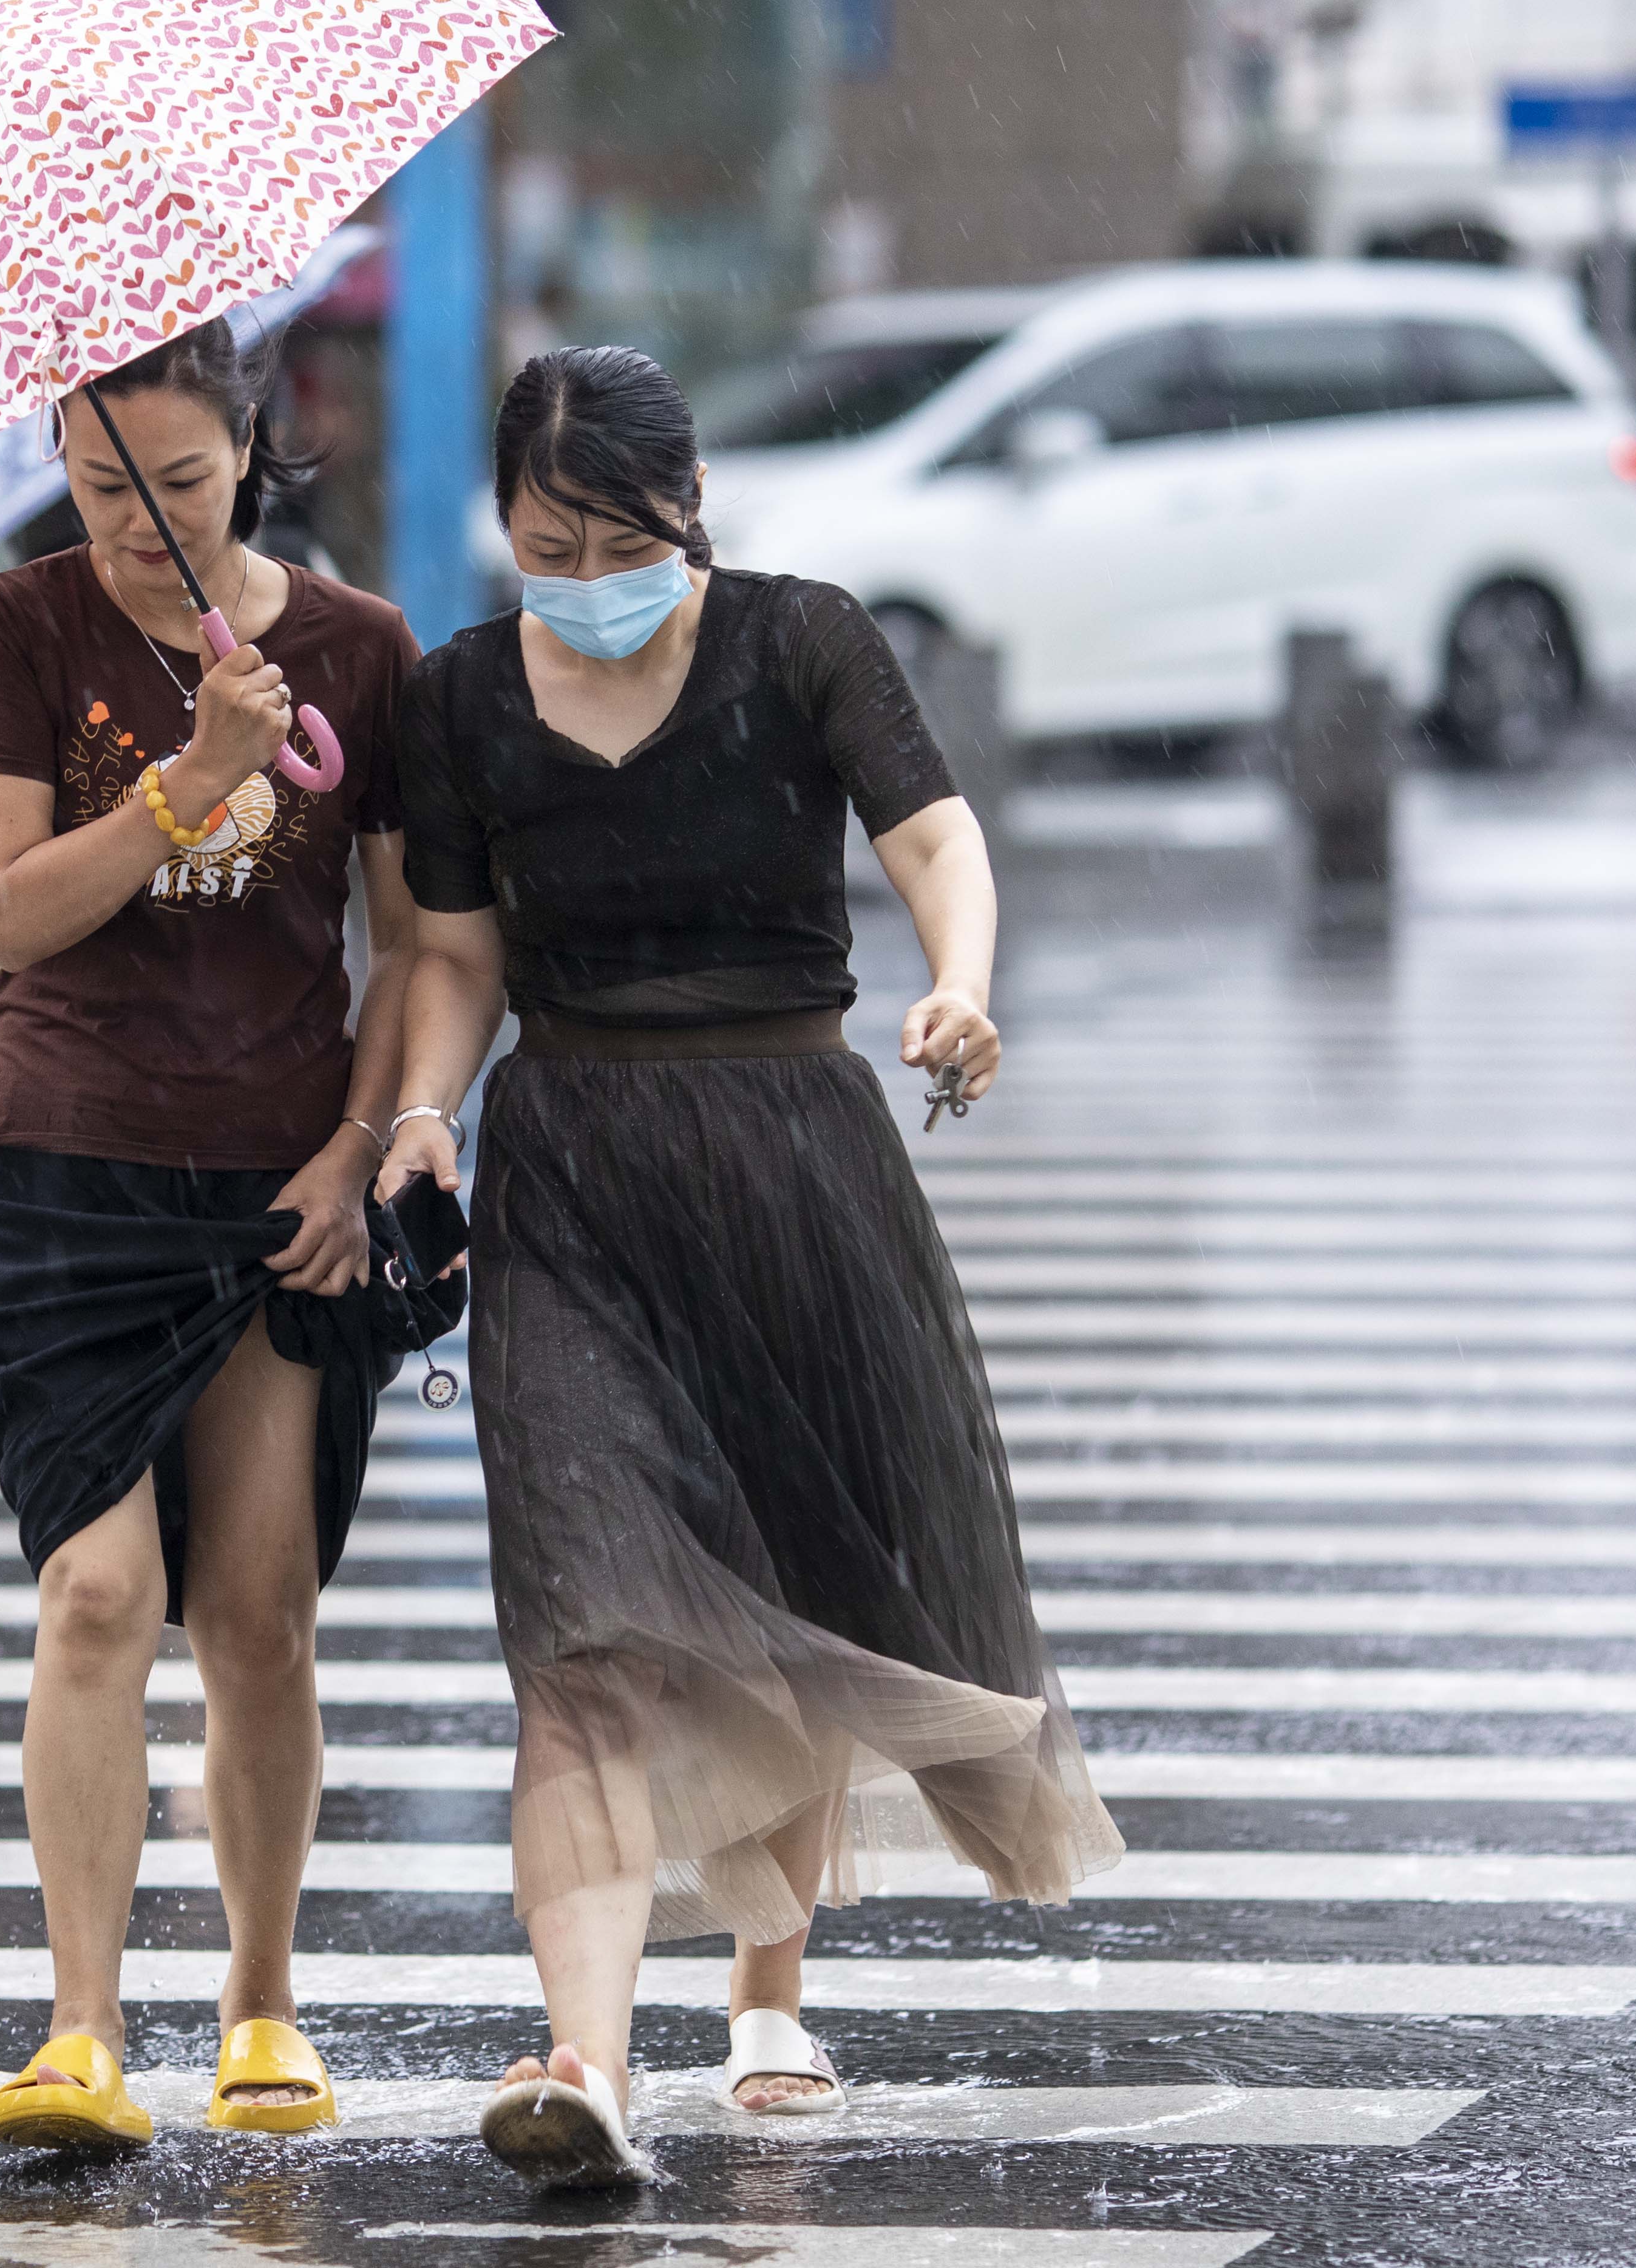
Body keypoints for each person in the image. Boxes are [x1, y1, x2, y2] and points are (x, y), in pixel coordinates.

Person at [376, 347, 1119, 2190]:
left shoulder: (799, 643)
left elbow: (934, 835)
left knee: (783, 1573)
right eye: (543, 536)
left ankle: (767, 1994)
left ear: (686, 503)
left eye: (615, 533)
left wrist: (958, 975)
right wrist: (416, 1112)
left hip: (793, 1156)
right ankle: (581, 2059)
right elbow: (453, 956)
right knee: (580, 1616)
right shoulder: (461, 697)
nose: (579, 567)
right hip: (568, 1177)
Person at [0, 318, 423, 2150]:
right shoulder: (21, 629)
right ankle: (78, 2023)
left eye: (180, 488)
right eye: (95, 491)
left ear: (250, 449)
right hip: (59, 1173)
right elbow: (8, 905)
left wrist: (358, 1143)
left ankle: (258, 1998)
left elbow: (413, 946)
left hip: (272, 1195)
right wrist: (182, 781)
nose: (139, 529)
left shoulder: (359, 653)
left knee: (257, 1618)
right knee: (94, 1597)